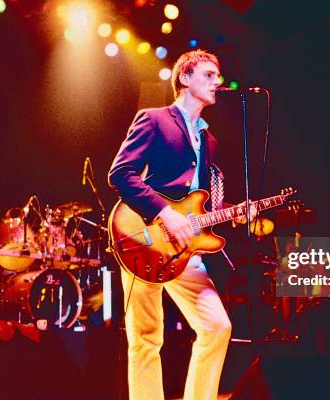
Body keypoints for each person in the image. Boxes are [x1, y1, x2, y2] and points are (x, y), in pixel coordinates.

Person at [108, 50, 232, 400]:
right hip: (145, 236)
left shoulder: (210, 141)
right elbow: (121, 174)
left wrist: (234, 213)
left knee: (217, 326)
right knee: (146, 337)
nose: (217, 82)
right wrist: (164, 212)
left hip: (187, 247)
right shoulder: (154, 119)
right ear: (185, 79)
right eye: (209, 74)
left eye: (218, 75)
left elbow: (201, 200)